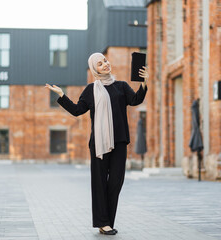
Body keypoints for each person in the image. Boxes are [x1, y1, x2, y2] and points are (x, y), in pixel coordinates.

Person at [45, 52, 148, 235]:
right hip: (99, 144)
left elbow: (135, 100)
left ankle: (107, 221)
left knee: (116, 182)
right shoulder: (91, 90)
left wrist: (144, 82)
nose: (105, 65)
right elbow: (77, 110)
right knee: (99, 183)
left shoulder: (122, 86)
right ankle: (103, 223)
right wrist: (61, 95)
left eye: (105, 61)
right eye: (100, 64)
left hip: (120, 141)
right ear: (95, 69)